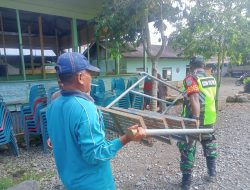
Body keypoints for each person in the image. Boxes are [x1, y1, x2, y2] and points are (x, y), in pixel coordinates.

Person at [46, 52, 146, 190]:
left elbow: (55, 139)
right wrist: (126, 138)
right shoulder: (86, 109)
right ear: (80, 77)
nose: (91, 79)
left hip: (70, 183)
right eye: (89, 74)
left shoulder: (52, 107)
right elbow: (96, 154)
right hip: (94, 184)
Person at [177, 56, 218, 190]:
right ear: (203, 65)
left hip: (195, 119)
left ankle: (186, 182)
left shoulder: (191, 78)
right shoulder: (211, 78)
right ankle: (212, 173)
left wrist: (195, 119)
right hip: (210, 118)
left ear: (192, 66)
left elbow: (194, 98)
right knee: (209, 143)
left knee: (187, 147)